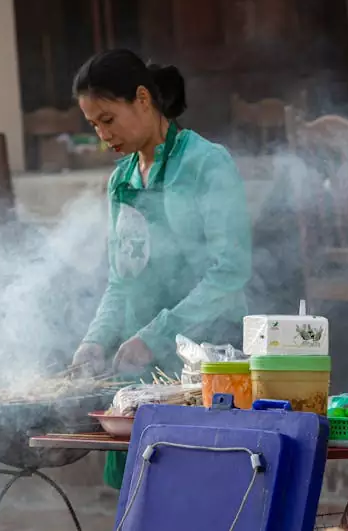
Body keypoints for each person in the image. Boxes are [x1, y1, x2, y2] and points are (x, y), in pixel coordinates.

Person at [68, 48, 252, 488]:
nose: (103, 136)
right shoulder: (122, 179)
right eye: (93, 125)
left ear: (143, 99)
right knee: (143, 497)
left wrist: (157, 335)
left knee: (200, 493)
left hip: (208, 364)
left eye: (108, 120)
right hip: (142, 371)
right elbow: (121, 280)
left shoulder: (206, 163)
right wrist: (95, 340)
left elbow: (229, 273)